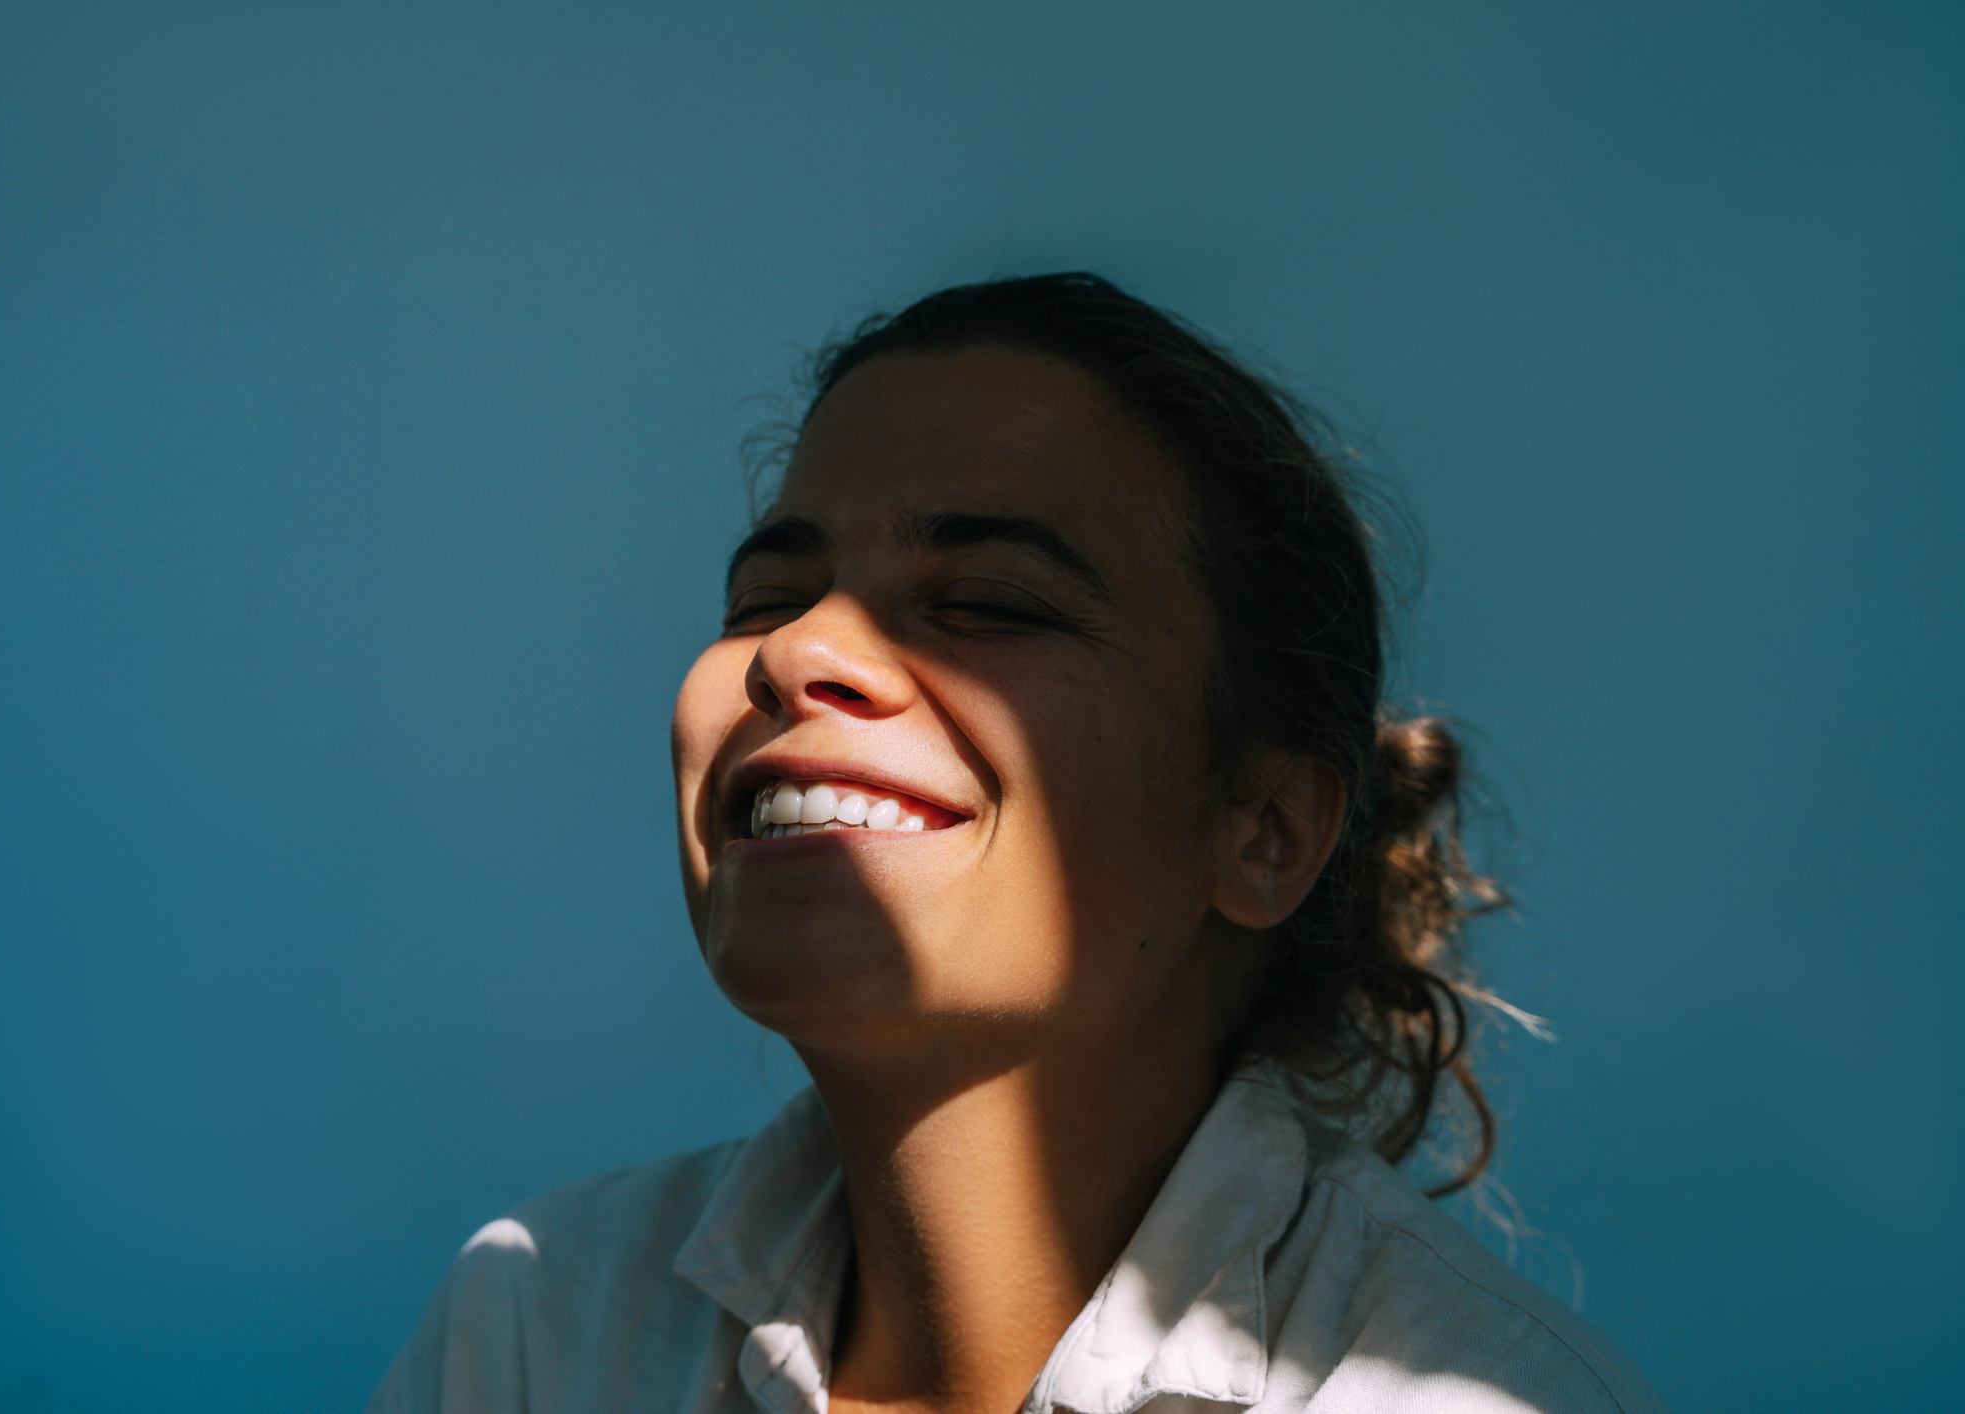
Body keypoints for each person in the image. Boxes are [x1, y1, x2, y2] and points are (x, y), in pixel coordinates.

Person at [367, 273, 1663, 1414]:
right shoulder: (533, 1332)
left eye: (985, 601)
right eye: (767, 595)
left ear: (1261, 828)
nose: (798, 651)